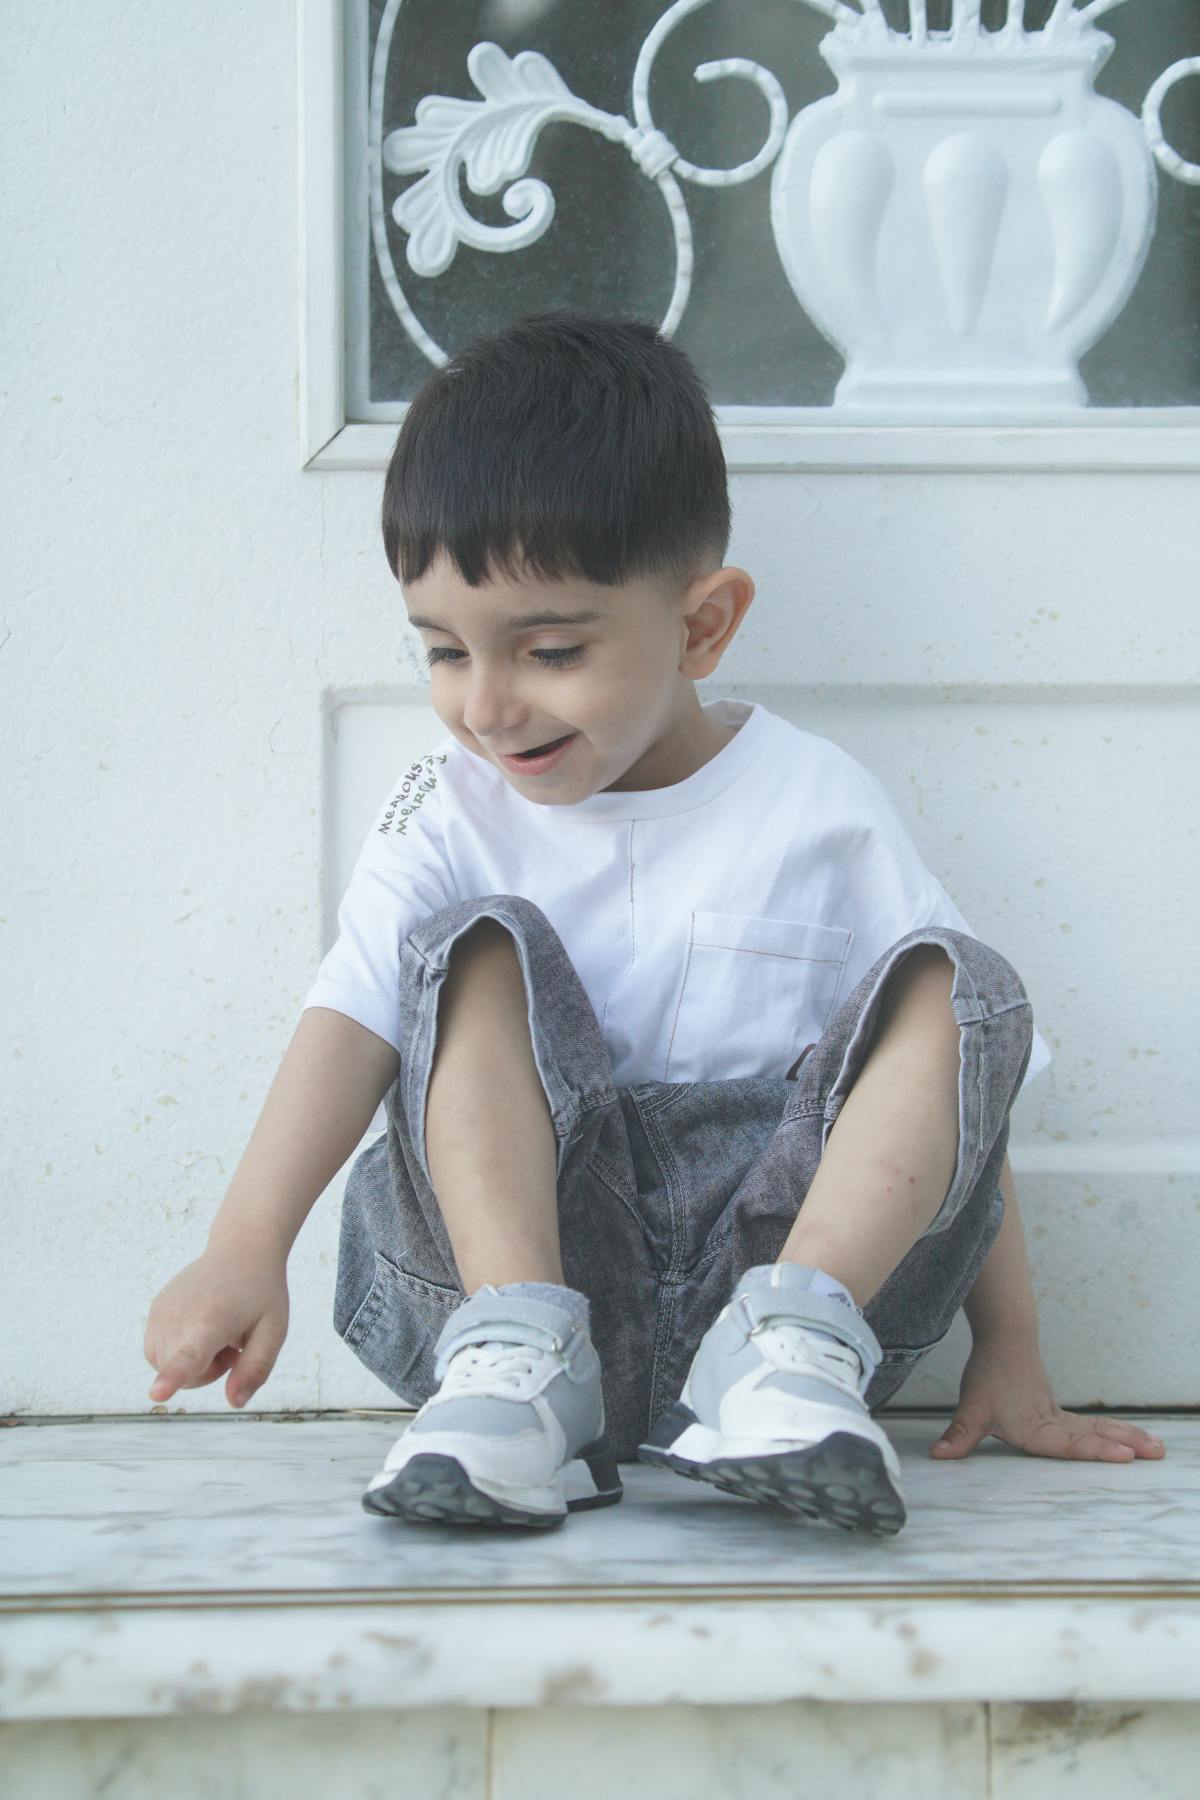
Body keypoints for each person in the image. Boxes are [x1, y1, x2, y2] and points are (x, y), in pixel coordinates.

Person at [143, 308, 1166, 1535]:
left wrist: (1011, 1349)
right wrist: (241, 1246)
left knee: (961, 979)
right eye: (442, 652)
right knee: (478, 946)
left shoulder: (815, 806)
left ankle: (782, 1363)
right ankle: (518, 1378)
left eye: (550, 649)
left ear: (701, 626)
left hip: (788, 1318)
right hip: (509, 1302)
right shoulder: (447, 803)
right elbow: (351, 1013)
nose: (487, 705)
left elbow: (961, 1093)